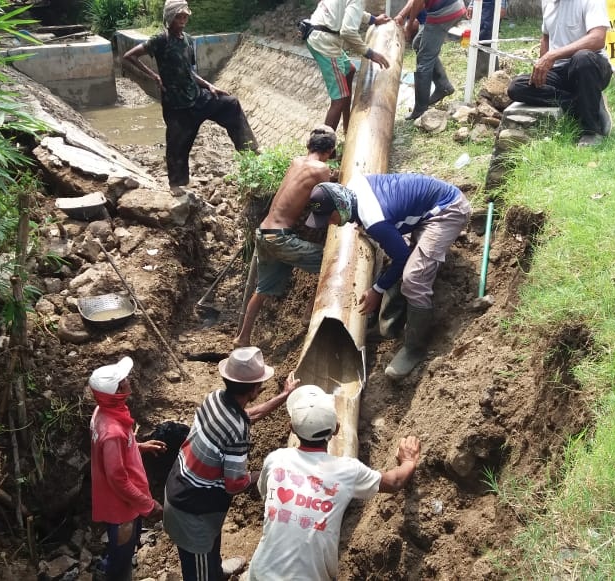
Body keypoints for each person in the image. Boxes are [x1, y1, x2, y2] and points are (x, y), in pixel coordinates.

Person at [305, 173, 471, 379]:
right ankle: (389, 326)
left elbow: (401, 258)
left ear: (340, 205)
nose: (331, 223)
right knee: (398, 259)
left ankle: (414, 348)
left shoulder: (375, 220)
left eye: (330, 217)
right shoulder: (354, 187)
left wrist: (376, 289)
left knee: (414, 278)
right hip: (424, 210)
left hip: (446, 210)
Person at [246, 385, 421, 580]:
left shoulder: (276, 459)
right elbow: (395, 482)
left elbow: (267, 497)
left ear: (292, 429)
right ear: (336, 428)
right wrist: (408, 461)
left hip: (260, 573)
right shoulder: (347, 470)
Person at [163, 347, 299, 581]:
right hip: (192, 510)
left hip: (182, 486)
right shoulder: (237, 430)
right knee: (198, 573)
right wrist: (266, 473)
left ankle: (215, 570)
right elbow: (234, 484)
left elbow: (248, 417)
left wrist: (284, 396)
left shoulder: (215, 398)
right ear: (255, 388)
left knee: (211, 543)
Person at [123, 0, 259, 194]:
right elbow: (129, 56)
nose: (183, 20)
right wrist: (154, 76)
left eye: (185, 16)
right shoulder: (160, 40)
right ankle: (176, 184)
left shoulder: (187, 39)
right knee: (177, 143)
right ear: (169, 18)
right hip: (176, 105)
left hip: (197, 97)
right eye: (178, 17)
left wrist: (211, 86)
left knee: (231, 104)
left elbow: (189, 72)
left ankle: (249, 149)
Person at [234, 125, 339, 348]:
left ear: (308, 146)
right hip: (280, 238)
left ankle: (242, 338)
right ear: (329, 151)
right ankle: (309, 315)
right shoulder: (321, 170)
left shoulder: (296, 161)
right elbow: (321, 202)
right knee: (330, 263)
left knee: (262, 290)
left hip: (264, 233)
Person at [88, 357, 168, 581]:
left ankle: (108, 565)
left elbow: (115, 452)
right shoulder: (112, 432)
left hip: (117, 501)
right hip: (122, 506)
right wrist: (148, 504)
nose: (129, 381)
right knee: (122, 555)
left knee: (121, 547)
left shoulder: (102, 412)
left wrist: (138, 446)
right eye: (124, 380)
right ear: (116, 391)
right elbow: (118, 478)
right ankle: (112, 573)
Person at [506, 0, 612, 147]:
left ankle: (592, 130)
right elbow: (546, 38)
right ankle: (584, 104)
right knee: (517, 87)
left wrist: (552, 55)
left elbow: (598, 39)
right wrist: (542, 66)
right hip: (559, 71)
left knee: (582, 58)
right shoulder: (548, 2)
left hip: (591, 67)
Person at [305, 0, 392, 132]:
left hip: (319, 34)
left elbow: (351, 11)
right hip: (324, 43)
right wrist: (370, 53)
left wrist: (373, 19)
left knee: (349, 70)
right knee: (339, 99)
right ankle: (325, 150)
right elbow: (347, 32)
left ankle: (347, 127)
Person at [394, 0, 467, 120]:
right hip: (452, 7)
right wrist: (402, 16)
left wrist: (409, 23)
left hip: (443, 12)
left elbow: (418, 2)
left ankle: (420, 109)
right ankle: (443, 86)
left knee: (424, 60)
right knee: (418, 43)